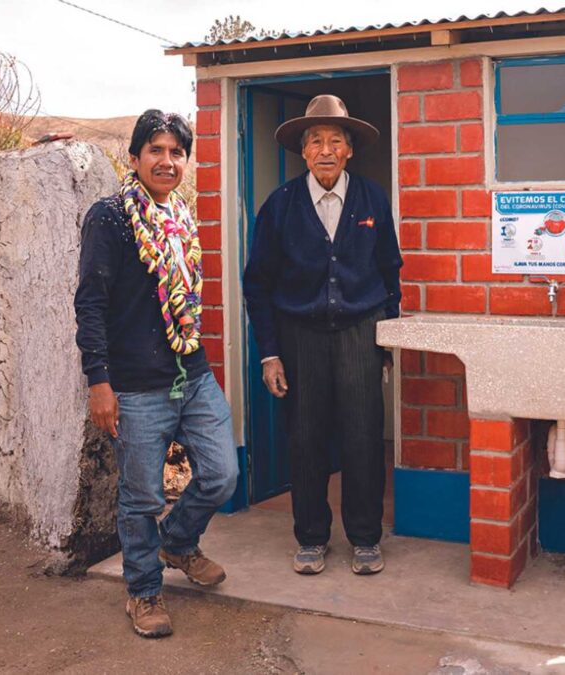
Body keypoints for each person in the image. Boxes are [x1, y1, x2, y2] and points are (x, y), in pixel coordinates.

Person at [74, 110, 239, 639]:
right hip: (135, 385)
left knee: (221, 474)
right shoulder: (111, 217)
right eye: (156, 150)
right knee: (142, 496)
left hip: (191, 373)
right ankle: (144, 591)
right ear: (135, 157)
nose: (167, 161)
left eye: (176, 152)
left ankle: (179, 541)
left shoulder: (182, 218)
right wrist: (99, 381)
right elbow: (91, 303)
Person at [243, 94, 402, 576]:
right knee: (306, 438)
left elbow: (390, 270)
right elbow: (258, 283)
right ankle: (311, 537)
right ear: (304, 151)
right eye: (317, 141)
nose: (326, 149)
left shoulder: (373, 199)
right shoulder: (280, 205)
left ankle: (365, 537)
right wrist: (270, 353)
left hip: (360, 332)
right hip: (300, 337)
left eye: (336, 140)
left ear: (349, 149)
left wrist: (387, 339)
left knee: (363, 439)